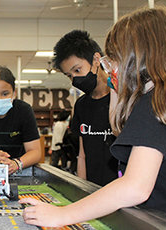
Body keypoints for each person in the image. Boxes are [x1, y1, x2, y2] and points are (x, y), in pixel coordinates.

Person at [20, 5, 166, 227]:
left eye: (115, 59)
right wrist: (119, 89)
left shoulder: (152, 104)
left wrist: (63, 214)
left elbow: (135, 187)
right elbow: (118, 126)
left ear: (136, 57)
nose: (111, 69)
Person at [51, 30, 118, 186]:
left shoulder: (121, 99)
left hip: (120, 190)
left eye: (77, 70)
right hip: (93, 189)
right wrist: (83, 189)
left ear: (96, 60)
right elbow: (82, 155)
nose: (75, 79)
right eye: (69, 75)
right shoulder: (81, 105)